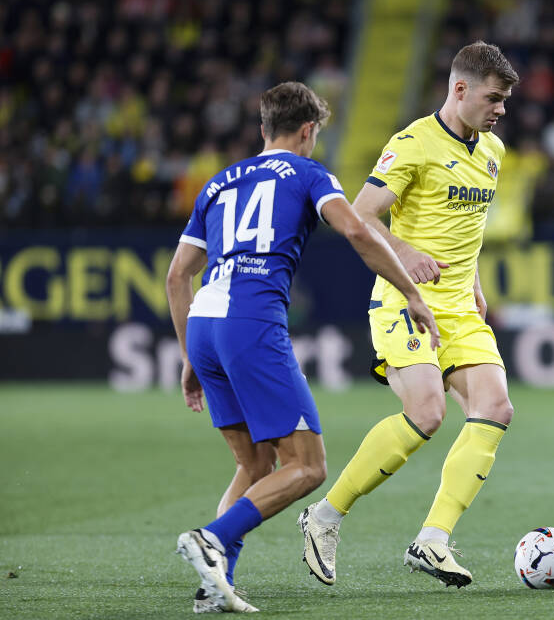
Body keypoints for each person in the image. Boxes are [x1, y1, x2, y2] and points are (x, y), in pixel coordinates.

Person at [166, 81, 439, 613]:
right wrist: (410, 289)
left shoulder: (219, 182)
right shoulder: (310, 174)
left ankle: (214, 585)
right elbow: (358, 231)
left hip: (204, 326)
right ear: (308, 131)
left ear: (264, 128)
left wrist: (188, 356)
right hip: (250, 323)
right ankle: (212, 539)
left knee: (256, 463)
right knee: (309, 467)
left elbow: (179, 276)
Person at [298, 41, 519, 589]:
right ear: (460, 89)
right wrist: (407, 252)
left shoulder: (493, 151)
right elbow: (358, 215)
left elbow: (465, 232)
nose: (499, 110)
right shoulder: (413, 143)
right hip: (405, 299)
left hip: (461, 308)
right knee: (427, 412)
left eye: (505, 101)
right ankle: (324, 518)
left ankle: (433, 541)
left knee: (495, 407)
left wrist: (475, 284)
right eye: (492, 98)